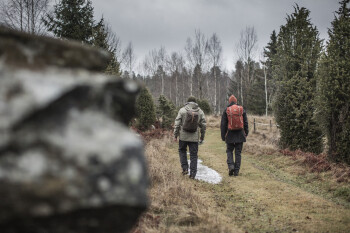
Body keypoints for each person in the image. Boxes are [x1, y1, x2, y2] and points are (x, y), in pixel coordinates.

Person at [174, 96, 206, 179]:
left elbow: (177, 124)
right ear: (195, 102)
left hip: (183, 137)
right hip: (194, 138)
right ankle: (192, 174)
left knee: (182, 151)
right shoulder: (200, 111)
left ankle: (185, 168)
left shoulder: (182, 110)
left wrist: (175, 135)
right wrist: (202, 137)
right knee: (194, 155)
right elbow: (203, 125)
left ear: (187, 102)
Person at [220, 95, 249, 176]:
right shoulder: (241, 109)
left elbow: (223, 124)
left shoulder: (226, 110)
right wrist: (246, 133)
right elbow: (246, 122)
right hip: (240, 134)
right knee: (238, 153)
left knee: (229, 151)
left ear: (229, 102)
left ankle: (231, 166)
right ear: (236, 101)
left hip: (229, 134)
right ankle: (236, 171)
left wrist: (223, 136)